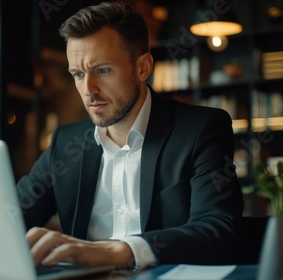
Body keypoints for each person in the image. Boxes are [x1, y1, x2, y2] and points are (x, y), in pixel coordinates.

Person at [17, 1, 244, 270]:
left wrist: (120, 251)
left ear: (143, 68)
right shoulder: (65, 143)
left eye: (102, 70)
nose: (88, 89)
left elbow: (218, 229)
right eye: (78, 74)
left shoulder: (201, 129)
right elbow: (12, 217)